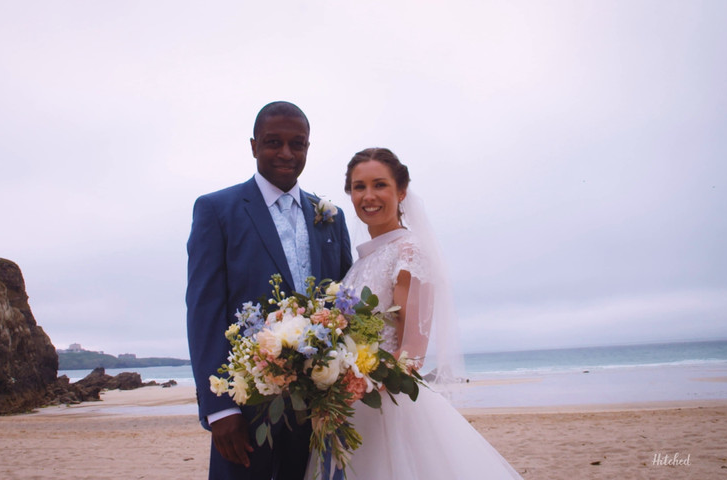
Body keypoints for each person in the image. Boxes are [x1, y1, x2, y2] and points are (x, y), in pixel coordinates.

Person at [312, 148, 523, 479]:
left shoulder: (408, 252)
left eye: (380, 185)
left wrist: (357, 383)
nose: (368, 196)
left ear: (402, 191)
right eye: (358, 187)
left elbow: (411, 355)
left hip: (386, 407)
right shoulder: (361, 261)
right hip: (350, 407)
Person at [186, 101, 353, 480]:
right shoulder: (217, 210)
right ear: (253, 145)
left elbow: (343, 308)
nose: (286, 153)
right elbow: (204, 312)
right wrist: (220, 409)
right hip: (247, 409)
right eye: (273, 142)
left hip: (318, 409)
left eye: (298, 144)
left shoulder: (329, 216)